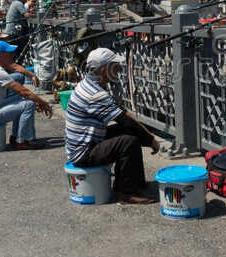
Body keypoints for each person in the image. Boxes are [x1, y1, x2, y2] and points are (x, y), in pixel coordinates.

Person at [64, 48, 157, 203]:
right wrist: (151, 140)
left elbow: (121, 112)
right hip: (83, 153)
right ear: (103, 70)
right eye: (115, 66)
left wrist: (147, 136)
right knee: (128, 142)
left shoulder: (87, 83)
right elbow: (125, 120)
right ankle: (125, 192)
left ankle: (136, 182)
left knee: (129, 132)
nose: (119, 69)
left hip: (84, 144)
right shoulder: (95, 94)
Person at [0, 40, 54, 148]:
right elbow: (24, 92)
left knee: (25, 99)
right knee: (28, 104)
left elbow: (14, 66)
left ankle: (16, 137)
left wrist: (32, 75)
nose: (13, 54)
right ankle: (22, 141)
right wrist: (44, 103)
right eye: (9, 53)